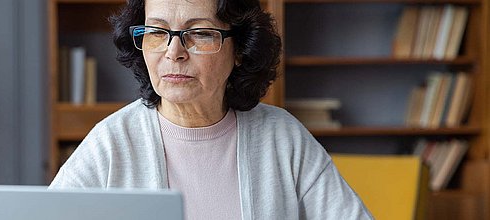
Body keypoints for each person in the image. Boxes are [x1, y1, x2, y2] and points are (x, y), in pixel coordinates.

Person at [50, 0, 373, 219]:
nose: (173, 52)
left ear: (241, 50)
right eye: (157, 32)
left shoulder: (282, 137)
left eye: (200, 33)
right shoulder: (110, 143)